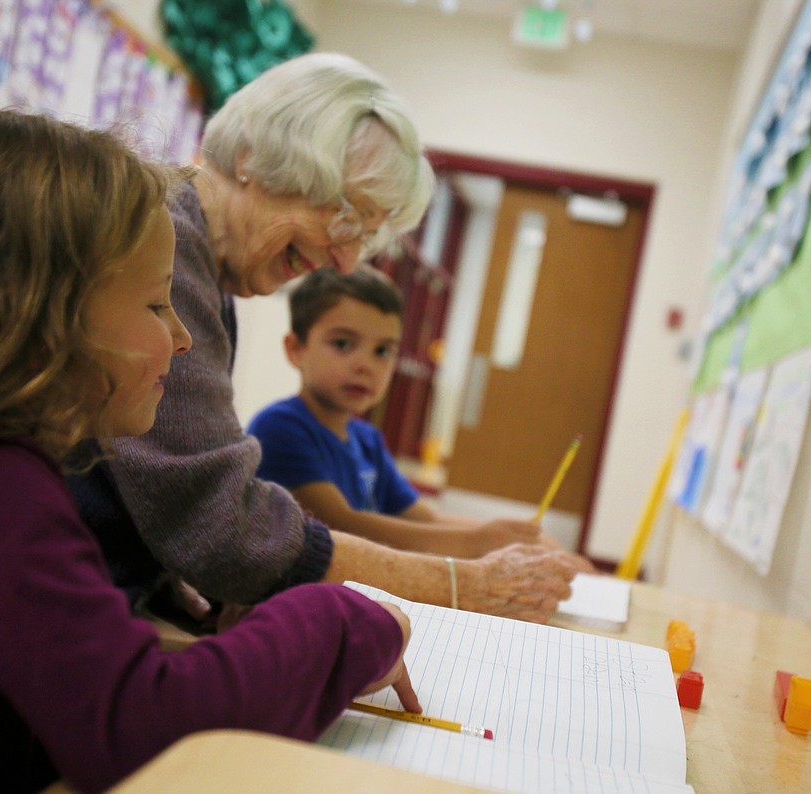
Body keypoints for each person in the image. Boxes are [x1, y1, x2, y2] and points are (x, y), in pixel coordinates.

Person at [0, 107, 418, 793]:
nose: (182, 338)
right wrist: (343, 621)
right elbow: (141, 726)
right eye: (156, 304)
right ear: (40, 312)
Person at [71, 52, 584, 627]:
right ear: (252, 159)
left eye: (363, 238)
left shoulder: (205, 271)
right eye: (346, 219)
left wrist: (175, 591)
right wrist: (462, 585)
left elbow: (146, 488)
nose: (343, 261)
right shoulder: (166, 250)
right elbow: (219, 523)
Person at [249, 266, 572, 558]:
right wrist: (476, 542)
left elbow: (426, 518)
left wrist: (517, 536)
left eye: (383, 351)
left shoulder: (367, 439)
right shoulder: (280, 428)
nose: (366, 365)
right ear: (296, 349)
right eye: (344, 344)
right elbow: (342, 526)